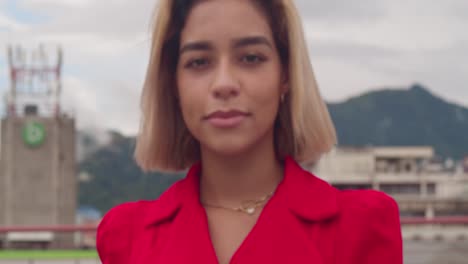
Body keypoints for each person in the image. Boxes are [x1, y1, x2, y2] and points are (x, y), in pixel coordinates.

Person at [96, 0, 403, 263]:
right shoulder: (126, 235)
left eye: (251, 58)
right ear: (173, 84)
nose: (224, 84)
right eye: (199, 62)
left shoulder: (362, 225)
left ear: (286, 75)